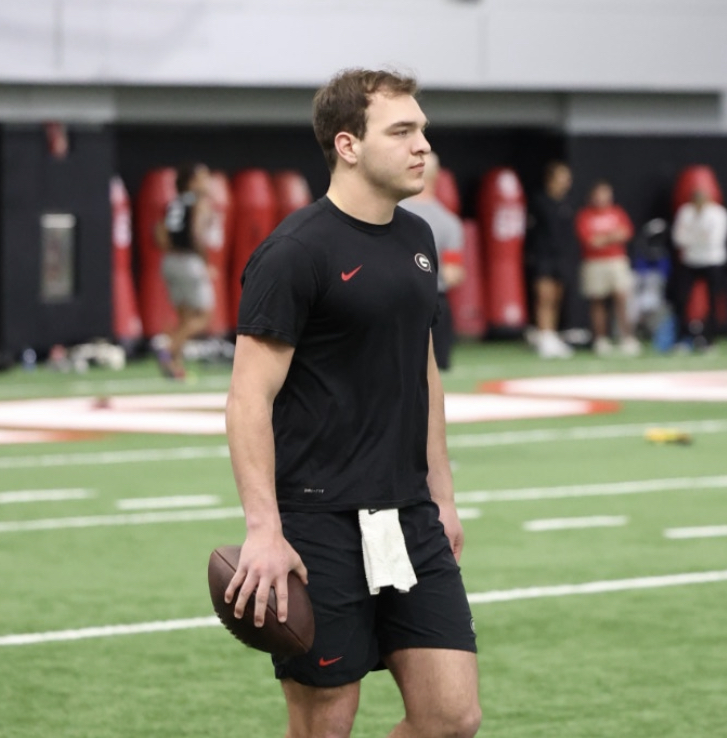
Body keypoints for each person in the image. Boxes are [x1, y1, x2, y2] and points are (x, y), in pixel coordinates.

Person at [223, 68, 481, 738]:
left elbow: (423, 375)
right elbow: (248, 399)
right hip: (318, 520)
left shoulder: (418, 240)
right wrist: (264, 530)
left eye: (422, 128)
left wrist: (443, 496)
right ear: (348, 145)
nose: (423, 143)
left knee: (451, 717)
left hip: (409, 515)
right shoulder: (294, 253)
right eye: (402, 131)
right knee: (326, 723)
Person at [400, 152, 465, 370]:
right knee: (437, 373)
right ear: (437, 176)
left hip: (396, 303)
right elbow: (452, 275)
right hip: (434, 303)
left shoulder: (391, 213)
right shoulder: (449, 222)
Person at [154, 162, 215, 380]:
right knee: (204, 315)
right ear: (192, 181)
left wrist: (171, 251)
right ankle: (168, 350)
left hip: (170, 260)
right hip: (189, 261)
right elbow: (198, 233)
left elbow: (159, 232)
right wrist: (205, 263)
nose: (208, 182)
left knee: (184, 317)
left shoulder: (174, 202)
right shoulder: (199, 202)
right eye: (204, 177)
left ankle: (175, 367)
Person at [576, 181, 640, 356]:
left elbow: (625, 233)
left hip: (617, 260)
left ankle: (627, 338)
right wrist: (612, 237)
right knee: (597, 301)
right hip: (594, 263)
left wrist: (603, 239)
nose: (602, 198)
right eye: (599, 194)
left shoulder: (617, 212)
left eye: (606, 194)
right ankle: (601, 340)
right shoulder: (585, 215)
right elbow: (590, 241)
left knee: (621, 298)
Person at [524, 161, 576, 358]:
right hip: (542, 256)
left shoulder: (567, 204)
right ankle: (543, 336)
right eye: (563, 177)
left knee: (556, 298)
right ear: (551, 179)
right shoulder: (539, 202)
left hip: (561, 258)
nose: (567, 181)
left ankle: (551, 335)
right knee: (544, 297)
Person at [671, 188, 727, 350]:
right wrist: (699, 237)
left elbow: (714, 240)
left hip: (713, 260)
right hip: (690, 261)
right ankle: (682, 338)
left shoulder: (719, 214)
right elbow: (678, 238)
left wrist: (691, 237)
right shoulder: (685, 212)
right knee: (681, 298)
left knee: (713, 301)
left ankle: (710, 339)